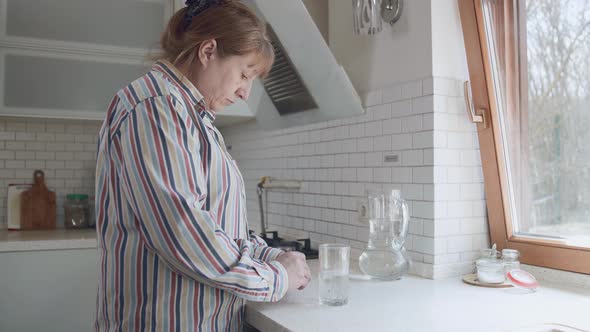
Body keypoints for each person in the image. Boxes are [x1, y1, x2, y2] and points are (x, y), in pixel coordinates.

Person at [94, 0, 311, 330]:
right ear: (208, 51)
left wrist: (269, 256)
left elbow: (219, 226)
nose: (244, 92)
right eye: (243, 74)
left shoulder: (193, 117)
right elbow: (182, 232)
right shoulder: (155, 107)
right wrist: (276, 277)